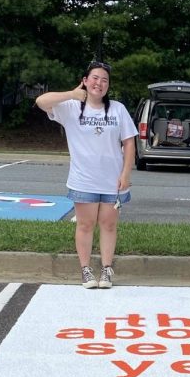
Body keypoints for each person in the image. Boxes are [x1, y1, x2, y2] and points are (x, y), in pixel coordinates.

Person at [36, 61, 136, 289]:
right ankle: (86, 270)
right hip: (84, 179)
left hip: (114, 181)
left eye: (104, 80)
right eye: (95, 78)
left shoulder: (118, 109)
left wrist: (126, 173)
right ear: (85, 80)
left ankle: (107, 270)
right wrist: (72, 94)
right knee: (85, 224)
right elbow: (41, 102)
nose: (99, 83)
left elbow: (129, 142)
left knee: (109, 224)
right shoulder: (70, 107)